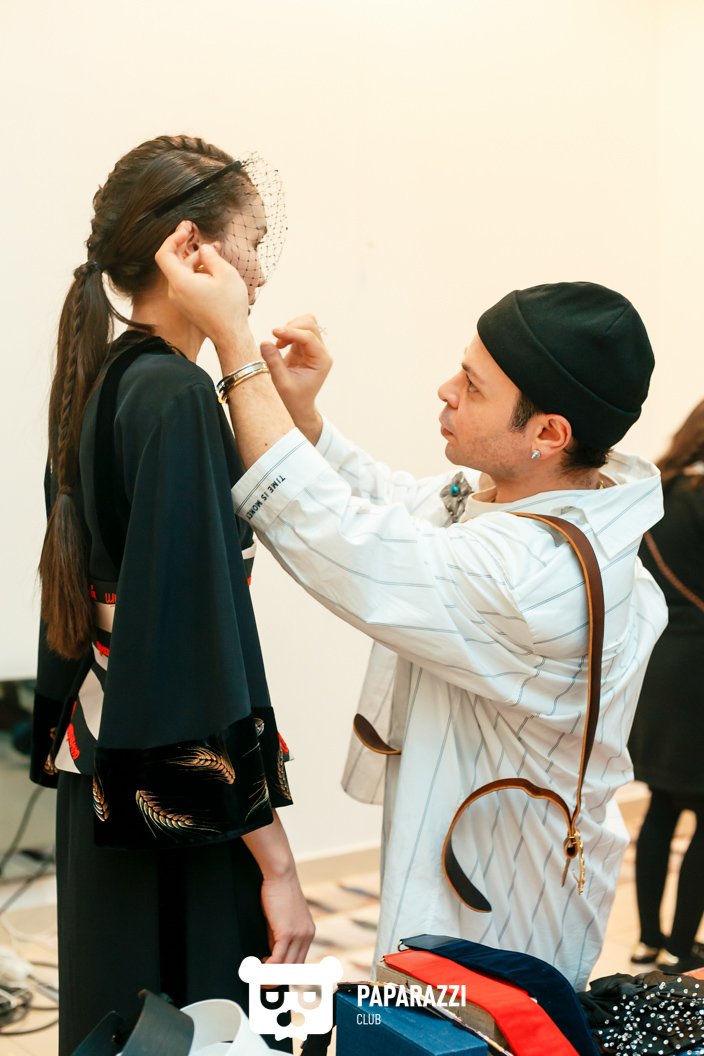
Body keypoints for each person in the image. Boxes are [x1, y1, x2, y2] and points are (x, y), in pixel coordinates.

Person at [155, 231, 667, 989]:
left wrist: (236, 345)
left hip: (501, 917)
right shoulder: (549, 499)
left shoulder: (535, 580)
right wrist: (306, 422)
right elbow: (402, 508)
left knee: (455, 1032)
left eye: (473, 385)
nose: (445, 390)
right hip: (475, 867)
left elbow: (351, 545)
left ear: (548, 434)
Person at [33, 136, 313, 1056]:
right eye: (253, 243)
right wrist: (278, 864)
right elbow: (196, 648)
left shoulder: (106, 377)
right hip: (178, 810)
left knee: (119, 1029)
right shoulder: (179, 395)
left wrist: (294, 414)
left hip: (104, 771)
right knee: (204, 1028)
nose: (260, 272)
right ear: (191, 249)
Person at [628, 400, 704, 975]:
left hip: (657, 664)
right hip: (700, 670)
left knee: (660, 804)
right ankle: (682, 945)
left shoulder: (658, 491)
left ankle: (647, 940)